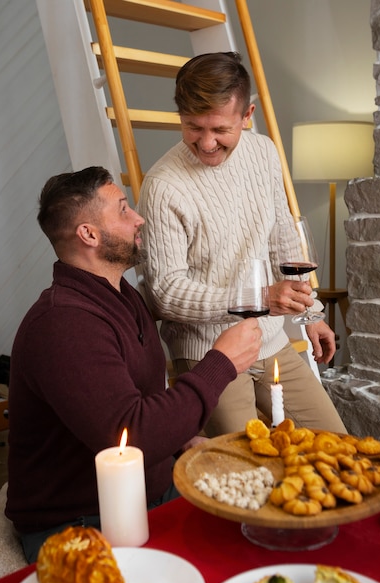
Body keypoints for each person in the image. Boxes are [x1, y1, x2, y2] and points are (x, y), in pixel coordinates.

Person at [5, 166, 262, 562]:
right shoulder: (63, 324)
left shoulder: (124, 296)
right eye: (123, 209)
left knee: (265, 522)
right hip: (79, 521)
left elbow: (140, 398)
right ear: (89, 234)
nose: (138, 217)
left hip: (154, 492)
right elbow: (131, 434)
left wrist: (182, 440)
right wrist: (221, 363)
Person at [137, 51, 346, 437]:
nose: (206, 143)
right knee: (246, 475)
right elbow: (165, 293)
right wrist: (259, 300)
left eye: (219, 129)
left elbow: (283, 236)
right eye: (192, 127)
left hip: (271, 341)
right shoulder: (163, 185)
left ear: (247, 116)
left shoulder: (264, 152)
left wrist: (311, 312)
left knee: (339, 448)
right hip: (207, 354)